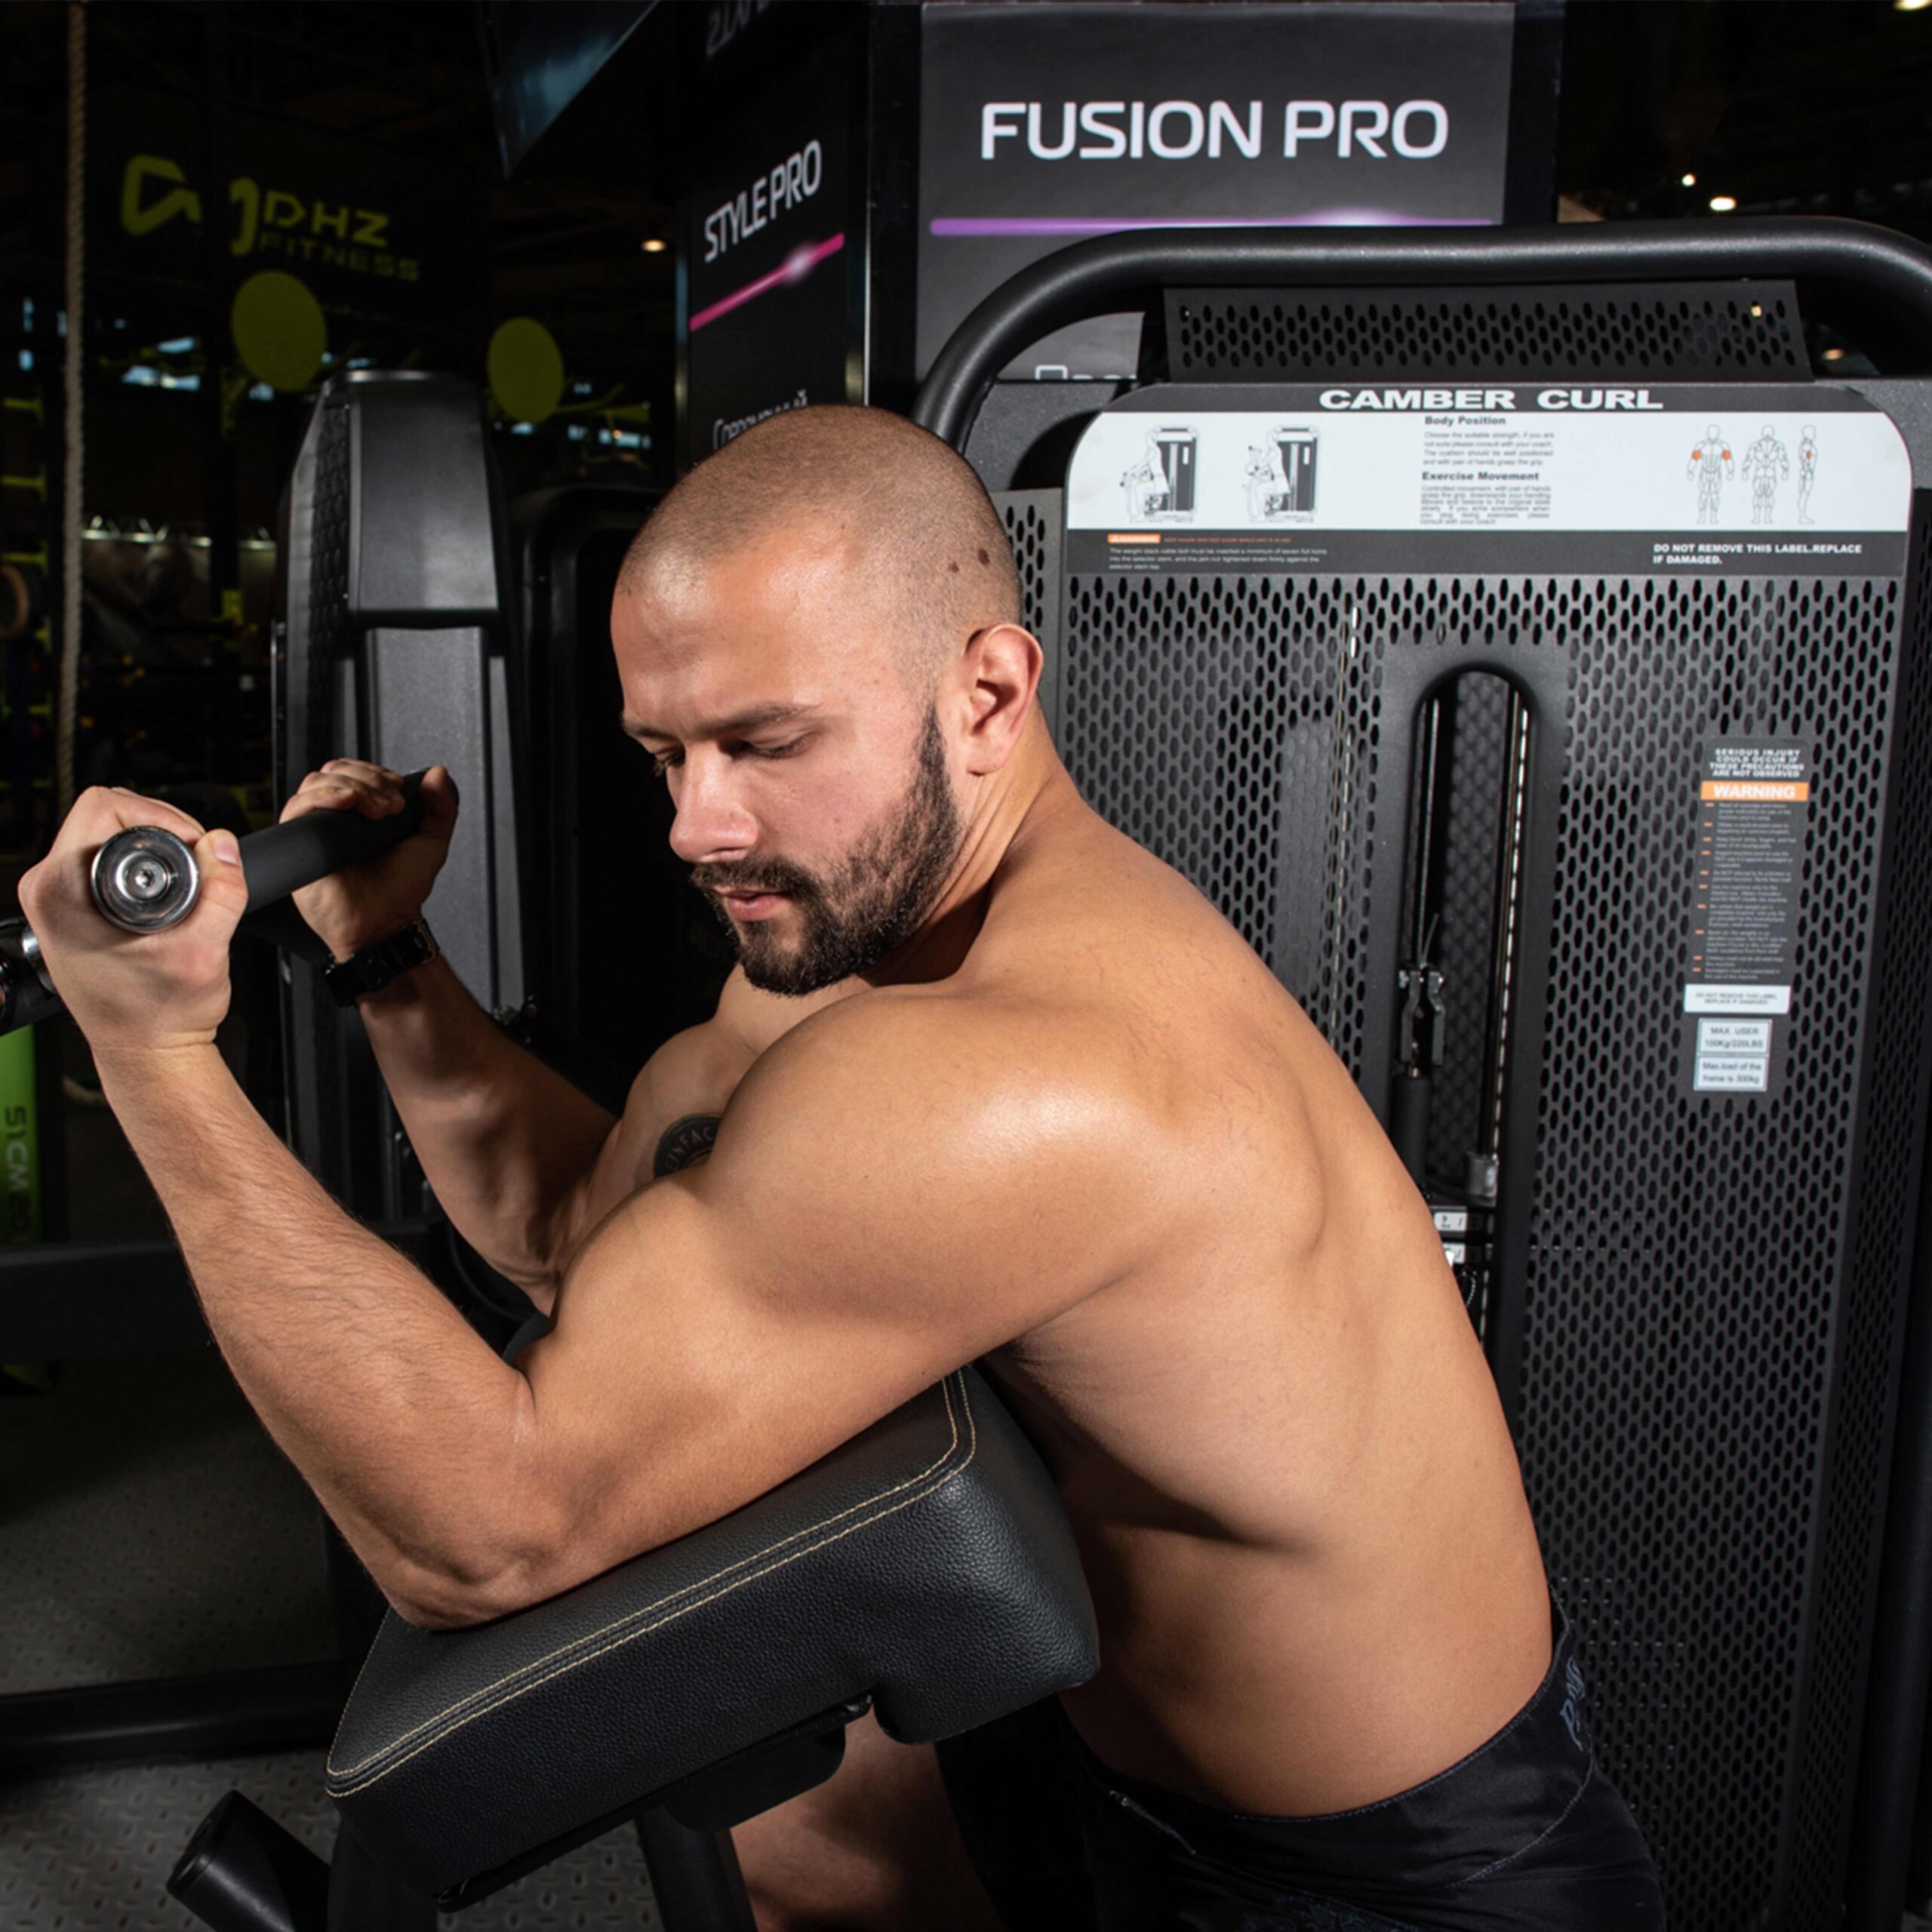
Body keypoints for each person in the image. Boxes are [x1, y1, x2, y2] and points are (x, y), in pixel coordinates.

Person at [19, 405, 1663, 1930]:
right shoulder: (865, 940)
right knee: (780, 1815)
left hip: (1376, 1877)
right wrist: (389, 959)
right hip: (1103, 1747)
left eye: (764, 742)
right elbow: (575, 1233)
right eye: (666, 752)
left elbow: (483, 1538)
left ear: (987, 696)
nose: (697, 823)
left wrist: (152, 1057)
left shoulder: (1016, 1071)